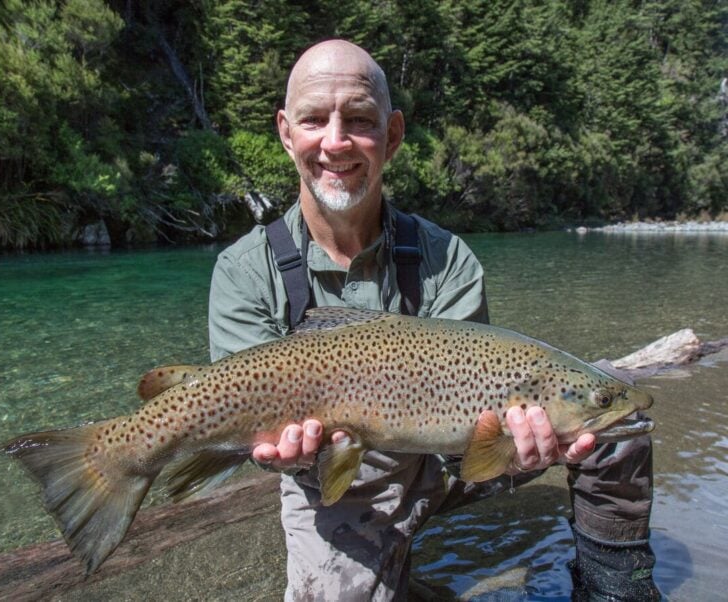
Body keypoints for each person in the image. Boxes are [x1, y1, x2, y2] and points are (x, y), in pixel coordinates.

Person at [209, 39, 659, 601]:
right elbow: (232, 418)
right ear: (284, 131)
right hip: (340, 481)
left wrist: (515, 448)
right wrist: (283, 452)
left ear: (393, 135)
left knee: (618, 414)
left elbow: (473, 447)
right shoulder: (245, 271)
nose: (334, 141)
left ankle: (616, 586)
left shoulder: (449, 259)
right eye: (313, 120)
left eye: (359, 120)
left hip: (451, 459)